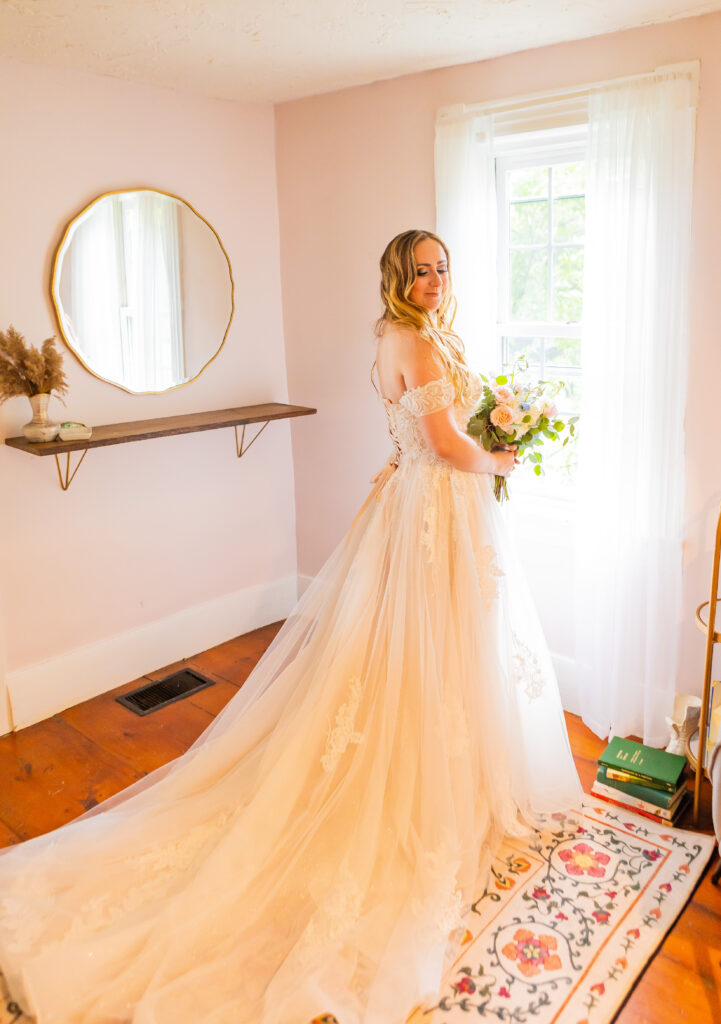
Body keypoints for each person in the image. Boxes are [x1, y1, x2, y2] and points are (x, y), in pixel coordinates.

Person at [0, 229, 583, 1024]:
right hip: (438, 507)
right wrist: (502, 461)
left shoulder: (389, 337)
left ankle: (433, 758)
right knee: (440, 645)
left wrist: (462, 450)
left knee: (425, 651)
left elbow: (412, 435)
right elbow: (445, 443)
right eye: (420, 271)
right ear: (395, 277)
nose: (434, 280)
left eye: (442, 268)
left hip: (415, 500)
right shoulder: (414, 338)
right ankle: (424, 782)